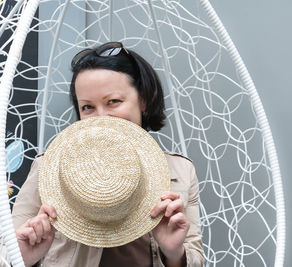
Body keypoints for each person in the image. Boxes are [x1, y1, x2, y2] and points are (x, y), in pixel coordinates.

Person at [11, 42, 204, 267]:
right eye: (87, 107)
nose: (101, 118)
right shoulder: (50, 169)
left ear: (143, 100)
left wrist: (174, 253)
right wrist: (23, 258)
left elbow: (195, 256)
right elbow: (8, 251)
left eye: (113, 102)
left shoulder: (180, 171)